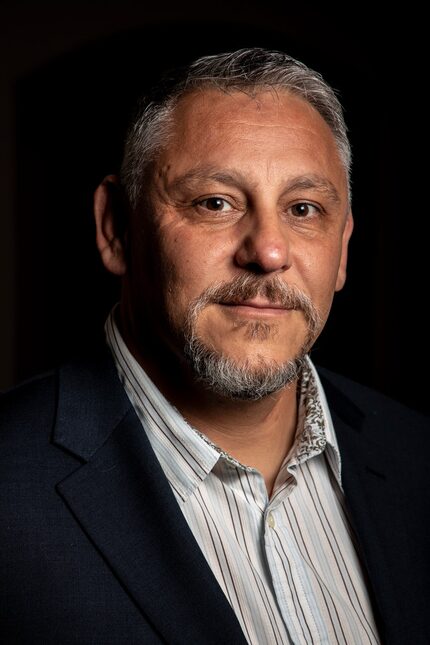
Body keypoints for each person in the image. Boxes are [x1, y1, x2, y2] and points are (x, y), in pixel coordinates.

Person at [0, 48, 428, 645]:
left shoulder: (417, 459)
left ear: (343, 250)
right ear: (116, 228)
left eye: (304, 209)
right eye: (215, 203)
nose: (269, 252)